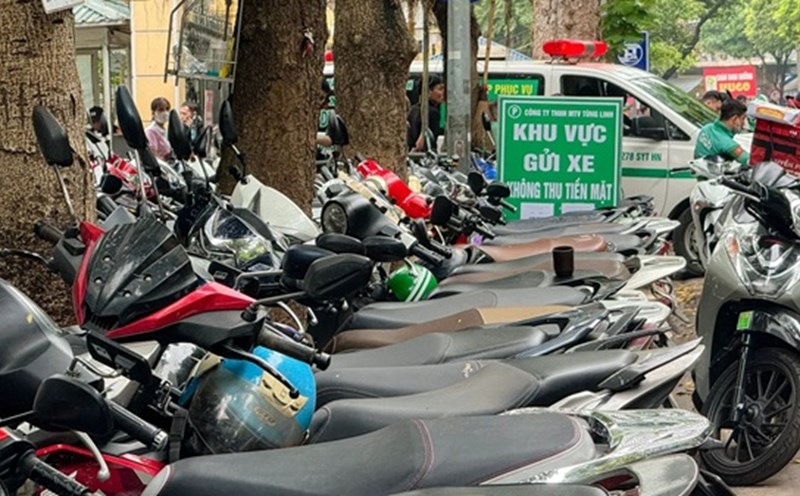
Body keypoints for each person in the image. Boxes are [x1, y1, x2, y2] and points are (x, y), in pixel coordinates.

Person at [694, 98, 750, 165]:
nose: (743, 123)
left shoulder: (706, 128)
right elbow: (749, 160)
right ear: (734, 119)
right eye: (742, 119)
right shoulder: (727, 144)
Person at [407, 75, 445, 152]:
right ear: (428, 92)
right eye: (440, 89)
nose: (443, 92)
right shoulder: (433, 113)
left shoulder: (413, 109)